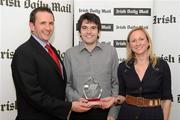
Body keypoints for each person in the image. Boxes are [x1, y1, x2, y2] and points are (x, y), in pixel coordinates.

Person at [11, 7, 90, 120]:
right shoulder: (24, 53)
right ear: (32, 26)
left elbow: (56, 86)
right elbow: (34, 95)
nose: (48, 28)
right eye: (43, 23)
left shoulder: (50, 49)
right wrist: (69, 106)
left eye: (51, 23)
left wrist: (75, 99)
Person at [104, 27, 173, 120]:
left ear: (148, 42)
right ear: (130, 45)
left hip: (153, 115)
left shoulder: (162, 65)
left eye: (141, 39)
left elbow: (166, 99)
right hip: (127, 114)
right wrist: (115, 99)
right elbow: (122, 95)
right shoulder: (123, 67)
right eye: (133, 41)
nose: (138, 43)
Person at [63, 12, 119, 120]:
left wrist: (113, 113)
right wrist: (77, 98)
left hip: (105, 113)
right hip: (78, 112)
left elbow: (115, 84)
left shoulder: (111, 52)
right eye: (84, 28)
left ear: (99, 32)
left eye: (93, 28)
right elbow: (66, 85)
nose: (89, 32)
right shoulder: (70, 54)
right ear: (79, 32)